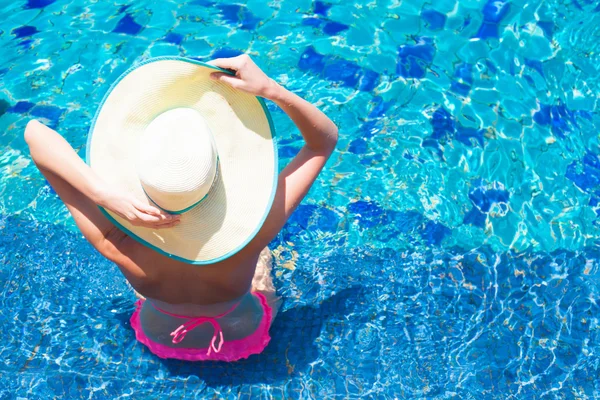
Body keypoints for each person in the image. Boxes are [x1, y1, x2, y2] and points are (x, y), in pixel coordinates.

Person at [24, 54, 338, 361]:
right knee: (262, 260)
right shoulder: (255, 232)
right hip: (242, 332)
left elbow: (34, 134)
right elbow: (322, 142)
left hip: (160, 335)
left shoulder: (115, 242)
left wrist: (104, 195)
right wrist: (271, 89)